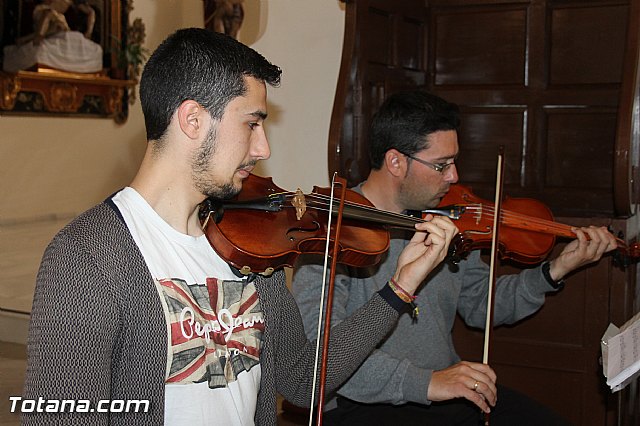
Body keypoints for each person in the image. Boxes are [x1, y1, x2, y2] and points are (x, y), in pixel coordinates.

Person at [20, 29, 458, 426]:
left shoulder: (246, 245)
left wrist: (400, 287)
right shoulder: (87, 257)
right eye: (251, 123)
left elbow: (302, 379)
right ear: (192, 120)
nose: (263, 146)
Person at [291, 90, 618, 426]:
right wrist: (428, 382)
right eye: (441, 165)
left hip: (445, 393)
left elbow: (481, 305)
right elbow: (321, 356)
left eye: (454, 162)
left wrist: (556, 269)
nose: (454, 176)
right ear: (395, 162)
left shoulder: (447, 223)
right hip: (361, 405)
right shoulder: (331, 233)